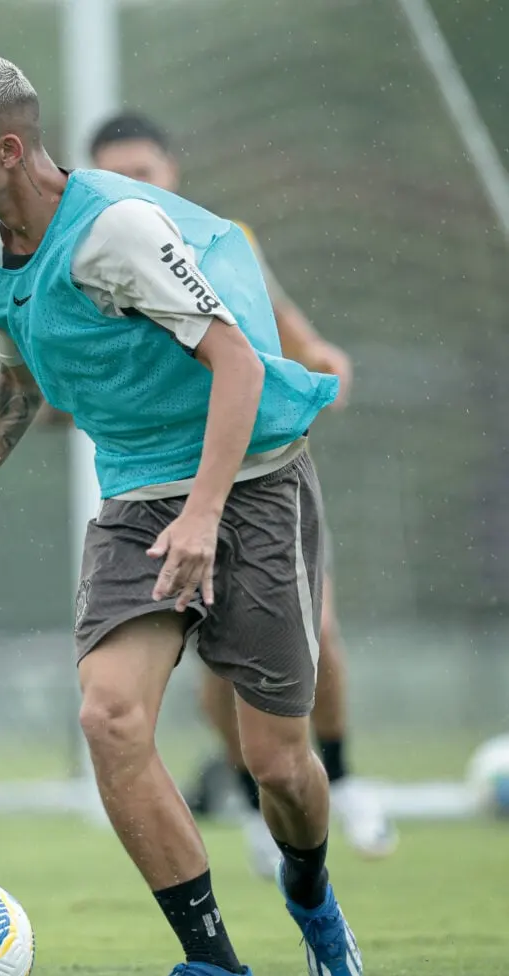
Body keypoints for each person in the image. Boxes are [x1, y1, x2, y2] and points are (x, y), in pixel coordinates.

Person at [0, 55, 363, 976]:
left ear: (8, 151)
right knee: (109, 716)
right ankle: (213, 966)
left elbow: (238, 367)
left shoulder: (119, 232)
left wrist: (207, 516)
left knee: (277, 767)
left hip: (250, 484)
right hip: (135, 501)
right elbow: (19, 383)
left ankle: (310, 895)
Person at [86, 112, 398, 878]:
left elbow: (286, 328)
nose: (131, 185)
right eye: (113, 173)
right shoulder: (95, 260)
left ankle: (342, 778)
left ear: (173, 171)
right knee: (215, 671)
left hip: (259, 484)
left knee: (315, 634)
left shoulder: (227, 241)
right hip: (162, 494)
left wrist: (320, 354)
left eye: (144, 171)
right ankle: (256, 803)